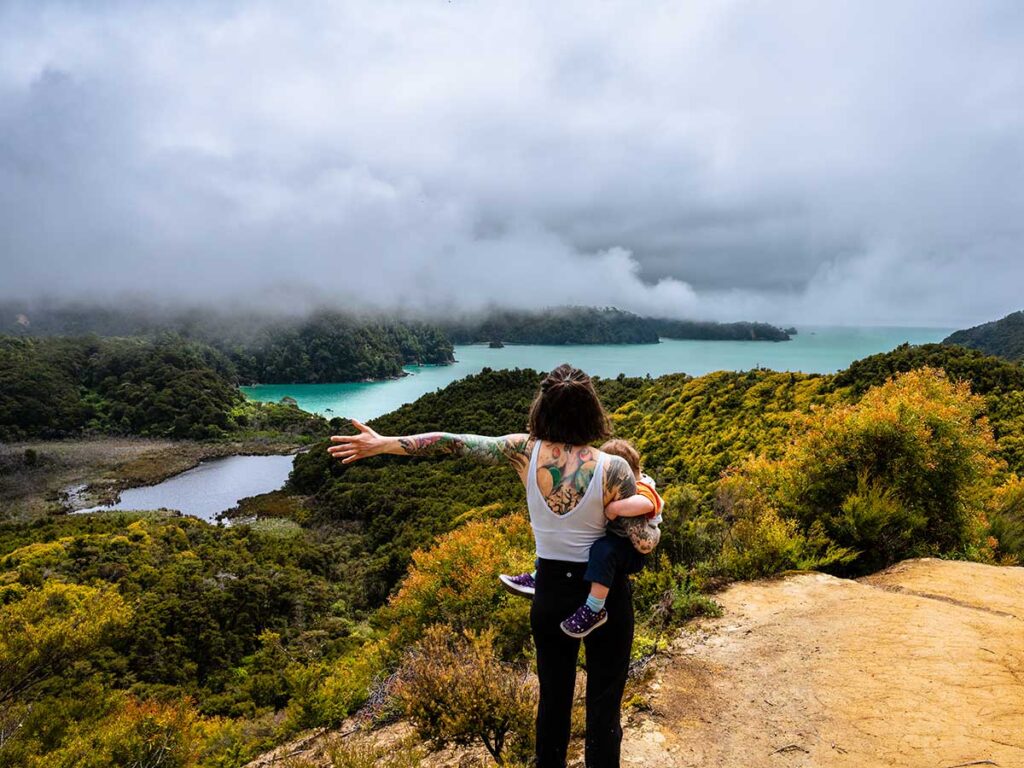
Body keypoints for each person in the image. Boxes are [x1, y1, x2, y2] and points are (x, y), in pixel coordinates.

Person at [327, 363, 637, 767]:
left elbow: (453, 443)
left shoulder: (523, 451)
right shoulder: (615, 468)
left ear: (542, 408)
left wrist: (384, 443)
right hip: (605, 592)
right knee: (604, 702)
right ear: (593, 411)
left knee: (553, 702)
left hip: (550, 592)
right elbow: (641, 541)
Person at [500, 438, 663, 639]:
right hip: (613, 537)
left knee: (602, 551)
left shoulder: (641, 485)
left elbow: (648, 503)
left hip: (626, 545)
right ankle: (537, 576)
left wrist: (614, 508)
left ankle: (594, 608)